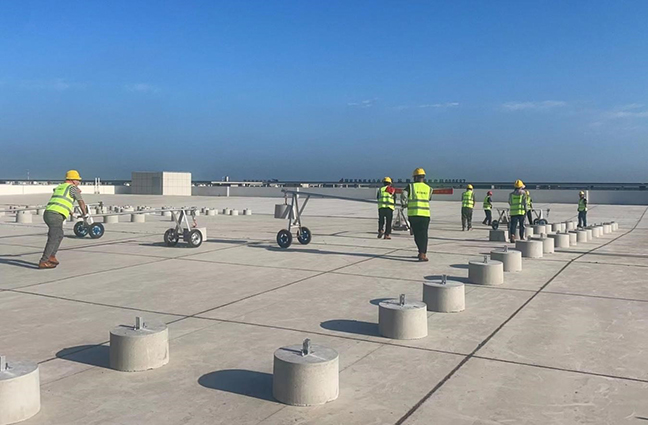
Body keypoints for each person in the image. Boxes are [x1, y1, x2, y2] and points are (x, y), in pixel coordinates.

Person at [39, 170, 88, 269]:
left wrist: (72, 213)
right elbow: (81, 202)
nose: (79, 182)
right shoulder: (73, 188)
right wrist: (85, 214)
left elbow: (61, 202)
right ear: (73, 180)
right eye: (78, 180)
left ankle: (52, 256)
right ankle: (44, 261)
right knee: (54, 237)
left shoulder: (60, 187)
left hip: (48, 213)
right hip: (55, 215)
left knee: (59, 235)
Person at [404, 167, 431, 261]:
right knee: (424, 234)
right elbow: (429, 198)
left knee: (416, 234)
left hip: (413, 214)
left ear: (415, 177)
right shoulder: (428, 188)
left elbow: (403, 195)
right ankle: (422, 253)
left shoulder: (410, 186)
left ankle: (421, 252)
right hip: (425, 214)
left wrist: (404, 204)